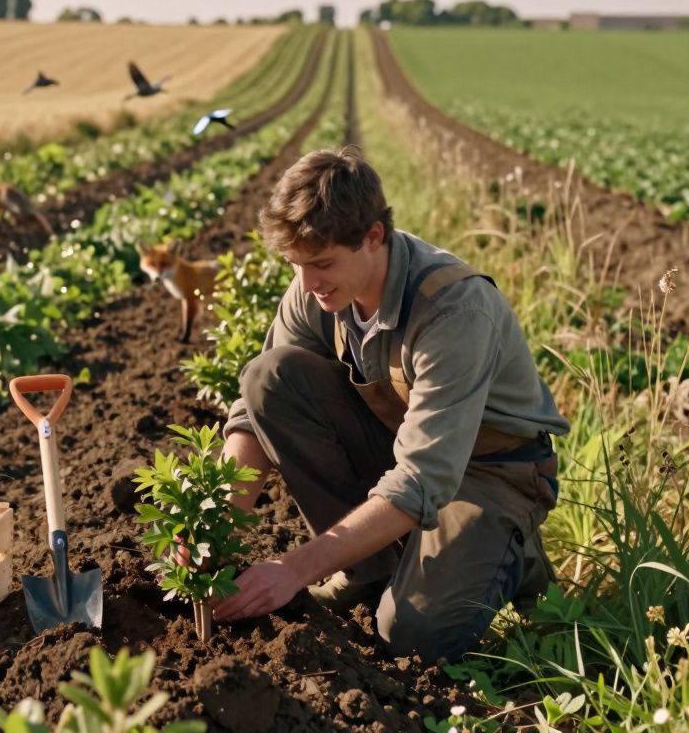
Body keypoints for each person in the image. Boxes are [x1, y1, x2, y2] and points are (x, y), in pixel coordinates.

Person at [208, 147, 569, 663]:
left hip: (489, 471)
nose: (308, 284)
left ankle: (513, 548)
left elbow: (422, 479)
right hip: (402, 445)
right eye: (297, 265)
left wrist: (293, 569)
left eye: (323, 264)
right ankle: (369, 569)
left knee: (412, 639)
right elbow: (254, 414)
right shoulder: (318, 288)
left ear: (373, 237)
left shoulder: (453, 310)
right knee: (270, 377)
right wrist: (215, 524)